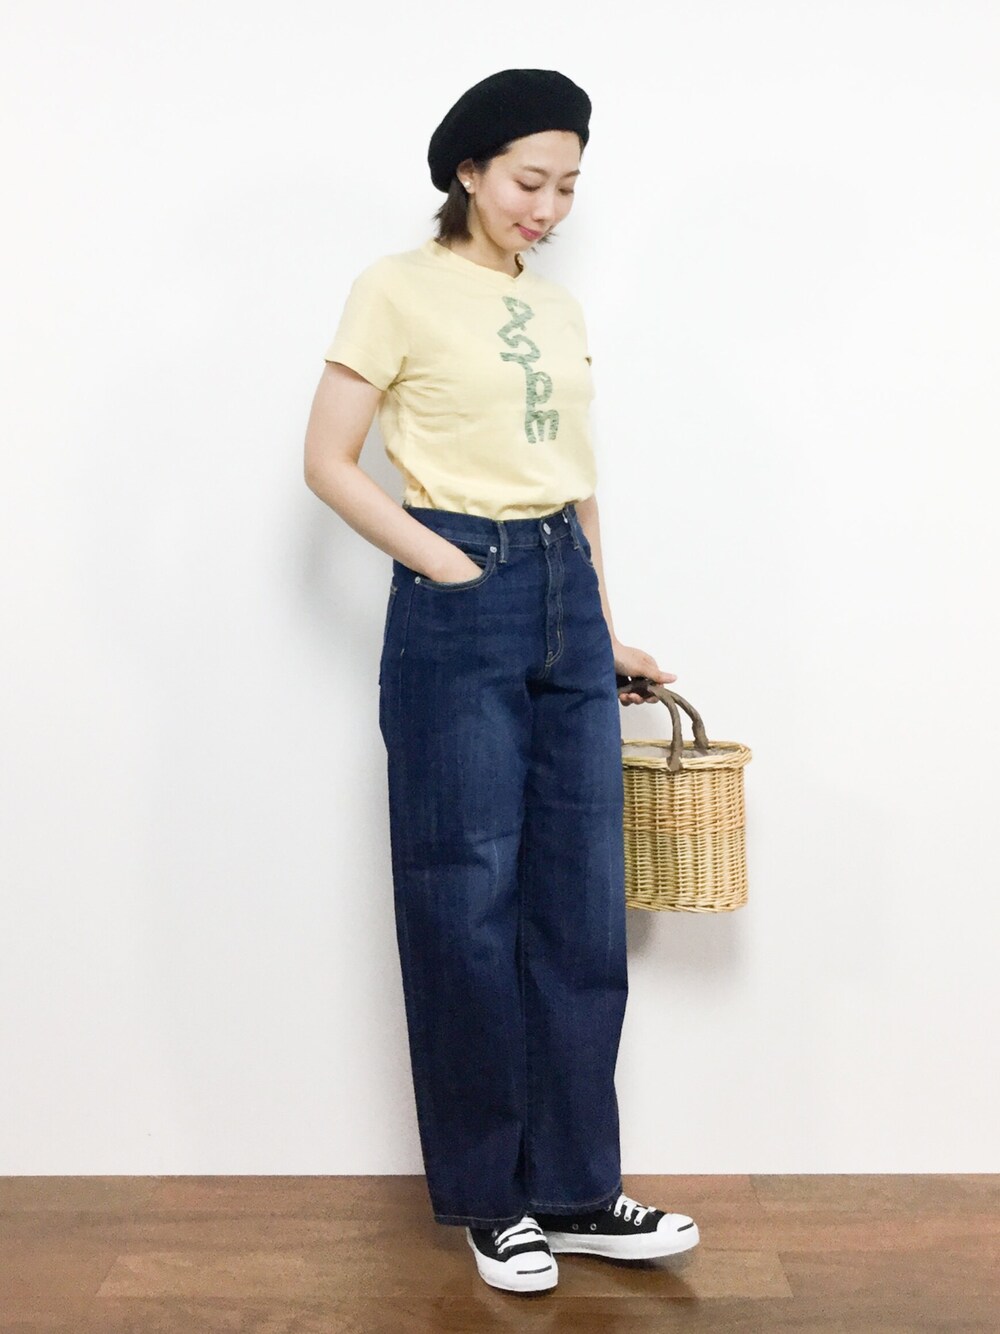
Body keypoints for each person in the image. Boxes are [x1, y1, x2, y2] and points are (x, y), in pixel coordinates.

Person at [304, 68, 700, 1296]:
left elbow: (576, 474)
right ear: (468, 170)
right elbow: (327, 458)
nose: (548, 206)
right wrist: (449, 564)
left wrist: (602, 624)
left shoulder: (557, 304)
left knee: (581, 906)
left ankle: (575, 1188)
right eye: (530, 179)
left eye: (568, 186)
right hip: (459, 592)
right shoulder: (396, 287)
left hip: (564, 595)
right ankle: (491, 1199)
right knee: (463, 901)